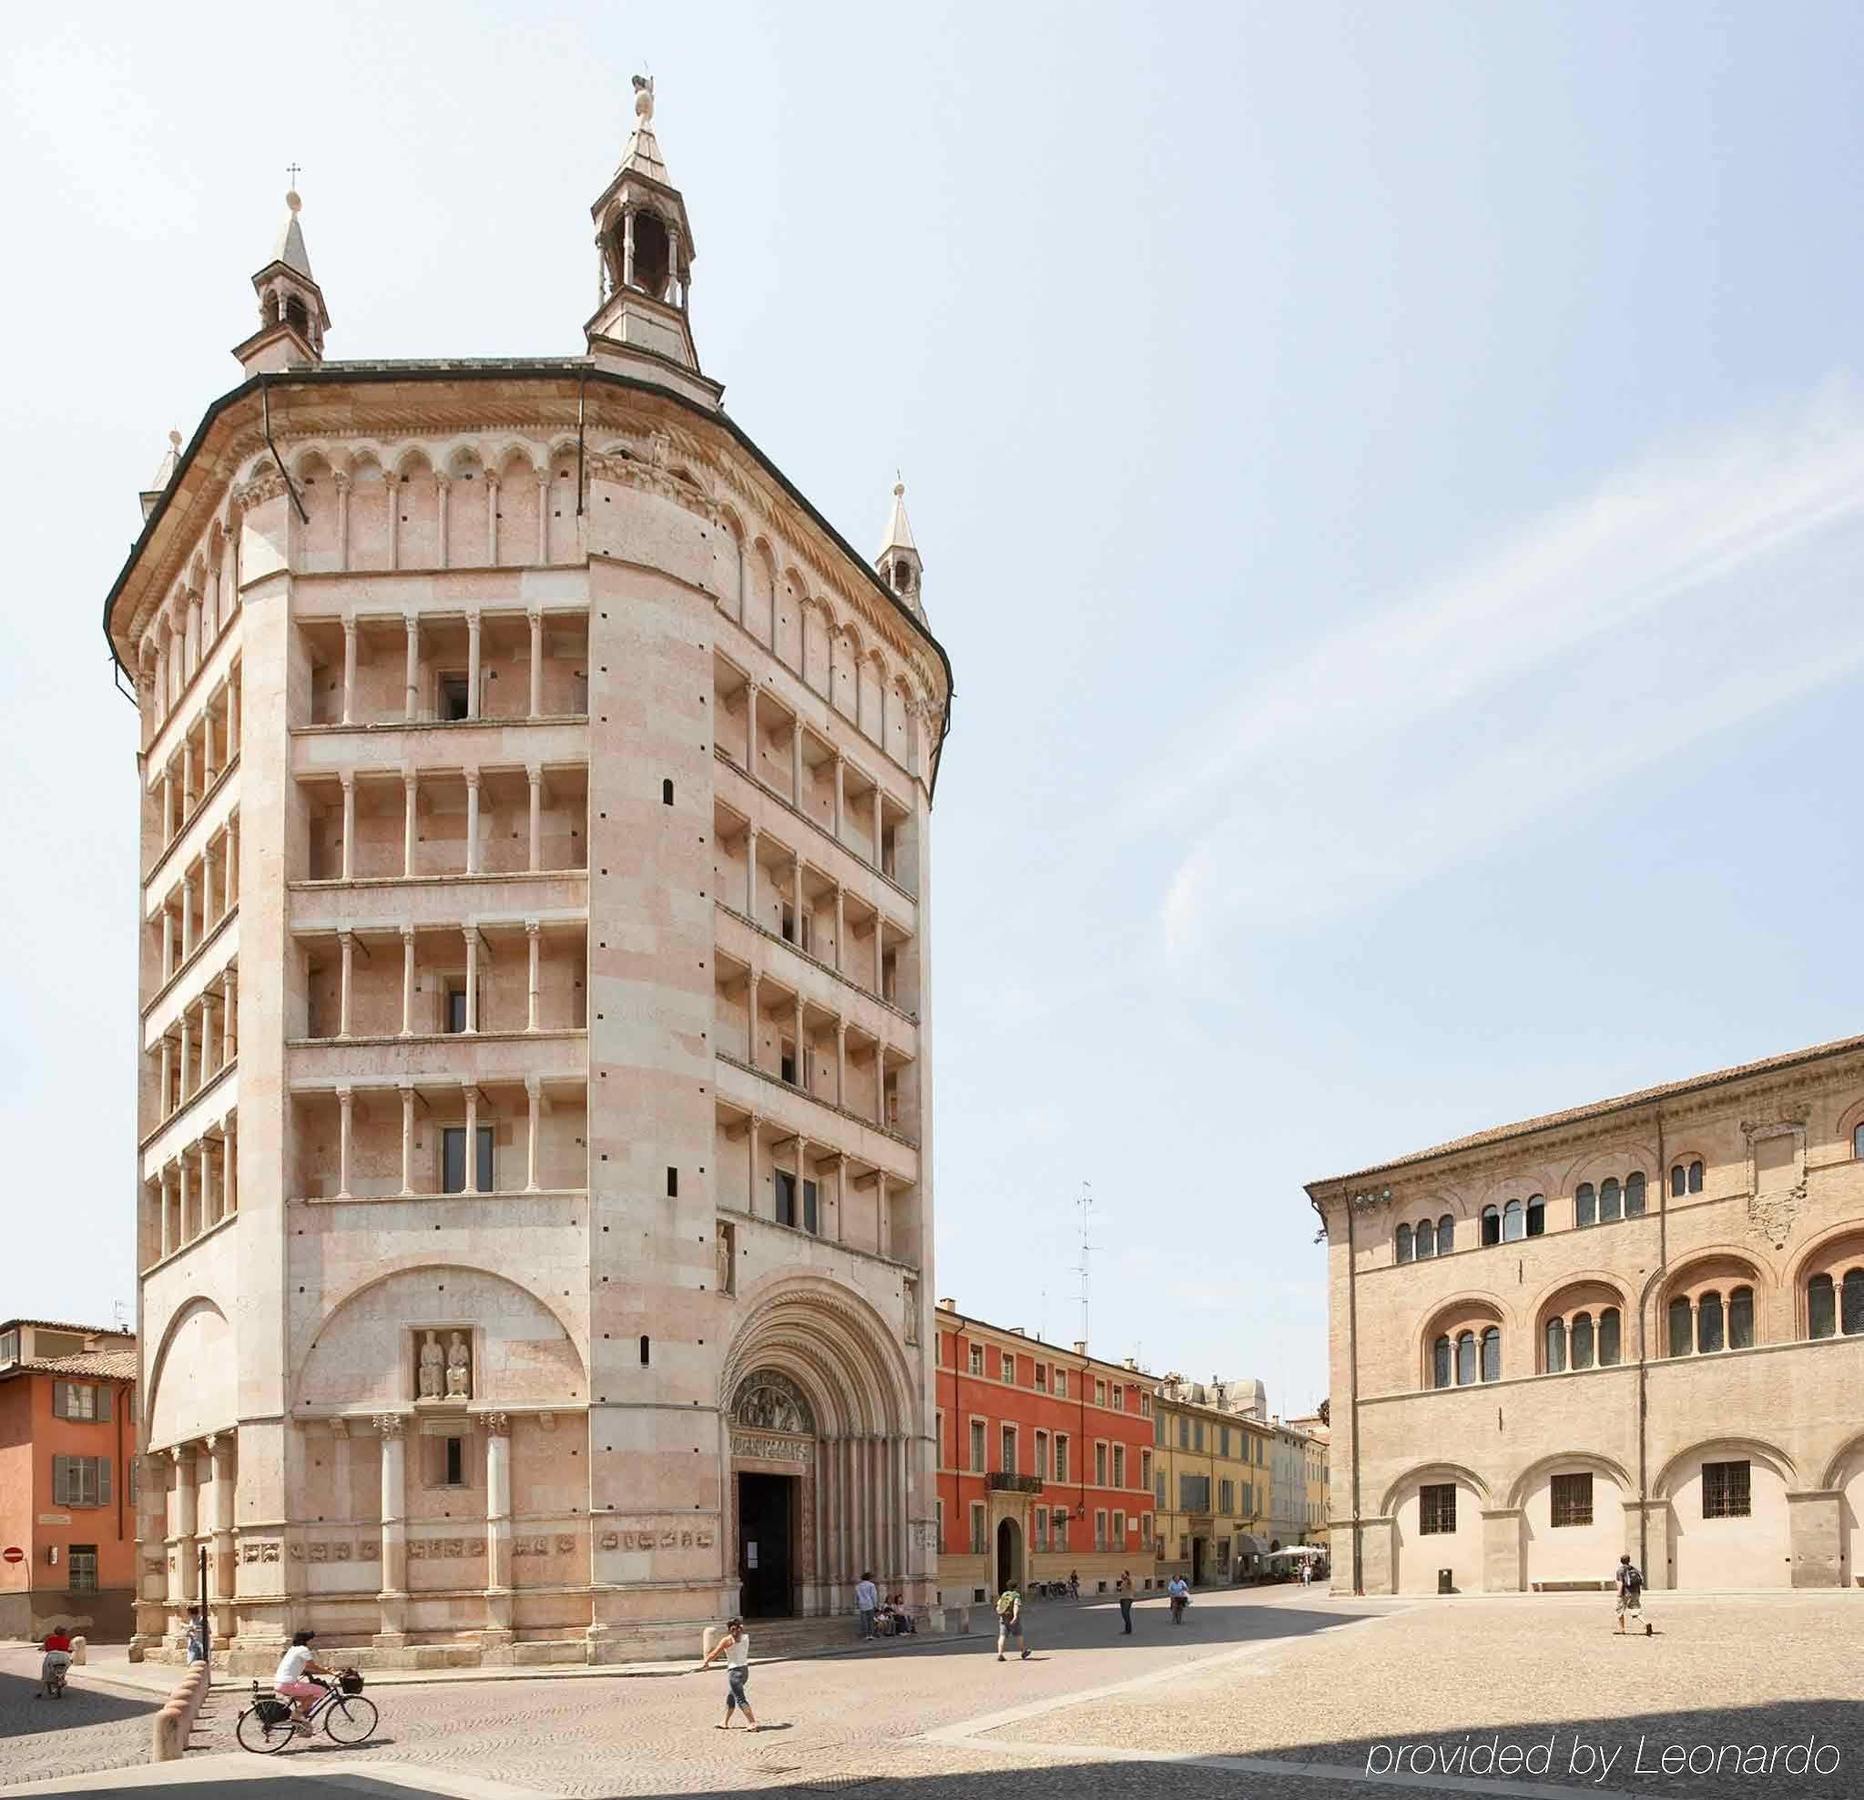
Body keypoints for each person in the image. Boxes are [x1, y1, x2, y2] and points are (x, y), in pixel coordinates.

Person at [697, 1617, 760, 1729]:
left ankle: (752, 1722)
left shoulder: (727, 1640)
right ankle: (724, 1722)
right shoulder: (746, 1637)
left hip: (734, 1672)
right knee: (731, 1696)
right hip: (745, 1670)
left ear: (729, 1629)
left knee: (740, 1698)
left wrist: (706, 1662)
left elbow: (714, 1653)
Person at [272, 1630, 333, 1731]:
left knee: (308, 1700)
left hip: (279, 1683)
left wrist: (324, 1671)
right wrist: (329, 1672)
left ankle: (301, 1726)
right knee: (321, 1690)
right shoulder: (302, 1650)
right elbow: (312, 1665)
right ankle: (297, 1713)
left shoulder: (293, 1649)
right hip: (288, 1684)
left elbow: (306, 1668)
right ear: (306, 1641)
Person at [995, 1580, 1030, 1662]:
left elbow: (998, 1604)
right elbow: (1016, 1606)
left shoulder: (1004, 1594)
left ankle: (1000, 1654)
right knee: (1018, 1635)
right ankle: (1023, 1651)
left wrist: (1000, 1613)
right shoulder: (1016, 1595)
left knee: (1002, 1636)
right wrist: (1015, 1616)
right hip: (1011, 1618)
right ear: (1016, 1587)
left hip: (1003, 1617)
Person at [1613, 1553, 1645, 1633]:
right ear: (1629, 1561)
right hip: (1636, 1592)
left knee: (1620, 1610)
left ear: (1621, 1561)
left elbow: (1620, 1583)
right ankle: (1645, 1623)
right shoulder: (1634, 1569)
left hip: (1626, 1593)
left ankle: (1621, 1629)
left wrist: (1619, 1594)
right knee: (1635, 1610)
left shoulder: (1620, 1570)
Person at [40, 1625, 74, 1695]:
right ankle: (62, 1679)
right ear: (64, 1633)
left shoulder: (49, 1639)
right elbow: (71, 1649)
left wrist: (42, 1648)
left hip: (52, 1657)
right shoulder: (68, 1640)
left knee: (46, 1668)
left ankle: (46, 1679)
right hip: (64, 1657)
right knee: (64, 1668)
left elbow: (44, 1648)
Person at [854, 1570, 878, 1639]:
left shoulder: (858, 1586)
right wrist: (875, 1604)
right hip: (869, 1603)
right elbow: (873, 1595)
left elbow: (856, 1596)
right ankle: (871, 1634)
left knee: (864, 1620)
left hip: (862, 1604)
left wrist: (856, 1604)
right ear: (869, 1578)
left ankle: (865, 1634)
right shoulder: (871, 1585)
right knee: (870, 1620)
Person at [1116, 1570, 1134, 1635]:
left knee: (1126, 1614)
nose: (1122, 1576)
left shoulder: (1129, 1581)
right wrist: (1119, 1588)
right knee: (1124, 1614)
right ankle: (1127, 1629)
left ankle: (1128, 1630)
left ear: (1127, 1575)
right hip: (1123, 1599)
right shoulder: (1123, 1582)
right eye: (1121, 1575)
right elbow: (1121, 1589)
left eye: (1123, 1574)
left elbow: (1129, 1583)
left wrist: (1127, 1577)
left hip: (1127, 1599)